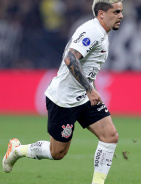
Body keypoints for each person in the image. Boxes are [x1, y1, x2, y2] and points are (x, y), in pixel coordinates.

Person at [2, 1, 123, 184]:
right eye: (116, 12)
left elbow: (87, 65)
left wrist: (91, 88)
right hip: (64, 100)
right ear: (101, 13)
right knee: (57, 152)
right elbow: (70, 58)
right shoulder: (93, 31)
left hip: (83, 97)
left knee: (110, 136)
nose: (121, 15)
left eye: (121, 11)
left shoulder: (101, 32)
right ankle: (17, 150)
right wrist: (90, 89)